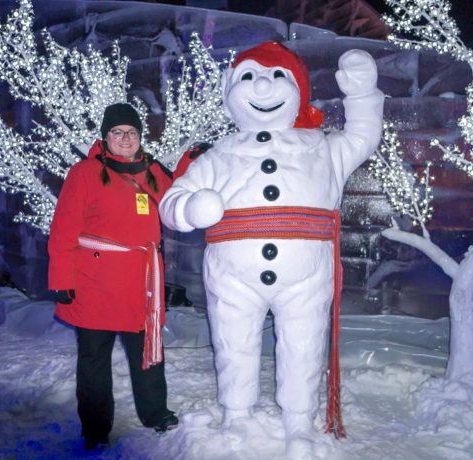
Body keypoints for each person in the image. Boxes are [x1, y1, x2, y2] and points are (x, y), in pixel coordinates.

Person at [160, 42, 384, 457]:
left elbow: (363, 135)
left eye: (277, 75)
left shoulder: (322, 147)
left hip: (306, 276)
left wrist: (362, 93)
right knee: (233, 343)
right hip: (232, 276)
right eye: (248, 76)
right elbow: (171, 202)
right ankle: (237, 415)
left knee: (304, 343)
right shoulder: (217, 155)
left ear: (297, 91)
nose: (263, 85)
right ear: (229, 92)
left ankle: (298, 420)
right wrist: (190, 207)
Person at [48, 102, 179, 451]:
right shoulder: (85, 173)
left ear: (140, 138)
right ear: (105, 138)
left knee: (148, 351)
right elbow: (63, 230)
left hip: (140, 283)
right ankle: (95, 428)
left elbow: (180, 200)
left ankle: (155, 413)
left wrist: (191, 165)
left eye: (132, 132)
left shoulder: (152, 172)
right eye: (118, 132)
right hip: (93, 280)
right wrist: (61, 279)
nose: (125, 138)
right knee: (93, 359)